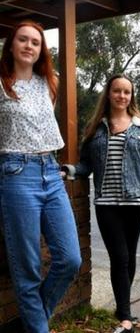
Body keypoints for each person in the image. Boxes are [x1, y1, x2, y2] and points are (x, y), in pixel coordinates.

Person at [0, 20, 82, 333]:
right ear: (11, 44)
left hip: (51, 171)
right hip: (15, 174)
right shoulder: (0, 83)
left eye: (36, 42)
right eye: (23, 40)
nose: (29, 46)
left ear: (41, 50)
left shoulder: (51, 82)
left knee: (70, 259)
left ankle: (30, 323)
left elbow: (43, 128)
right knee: (28, 271)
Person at [62, 74, 140, 333]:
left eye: (127, 92)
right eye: (117, 91)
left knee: (129, 256)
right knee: (120, 257)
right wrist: (68, 171)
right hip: (106, 203)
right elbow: (85, 166)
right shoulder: (95, 128)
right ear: (108, 94)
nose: (122, 96)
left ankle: (122, 308)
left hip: (135, 202)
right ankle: (127, 319)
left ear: (131, 96)